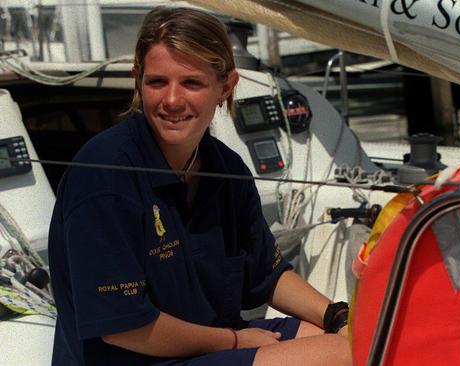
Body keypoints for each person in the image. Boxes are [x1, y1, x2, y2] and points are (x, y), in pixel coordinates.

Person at [48, 6, 351, 366]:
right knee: (342, 354)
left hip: (212, 342)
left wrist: (339, 317)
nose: (172, 100)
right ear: (137, 80)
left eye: (191, 83)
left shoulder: (227, 169)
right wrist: (235, 340)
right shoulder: (105, 176)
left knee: (364, 340)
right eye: (157, 82)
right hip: (138, 357)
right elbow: (124, 327)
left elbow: (266, 275)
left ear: (226, 86)